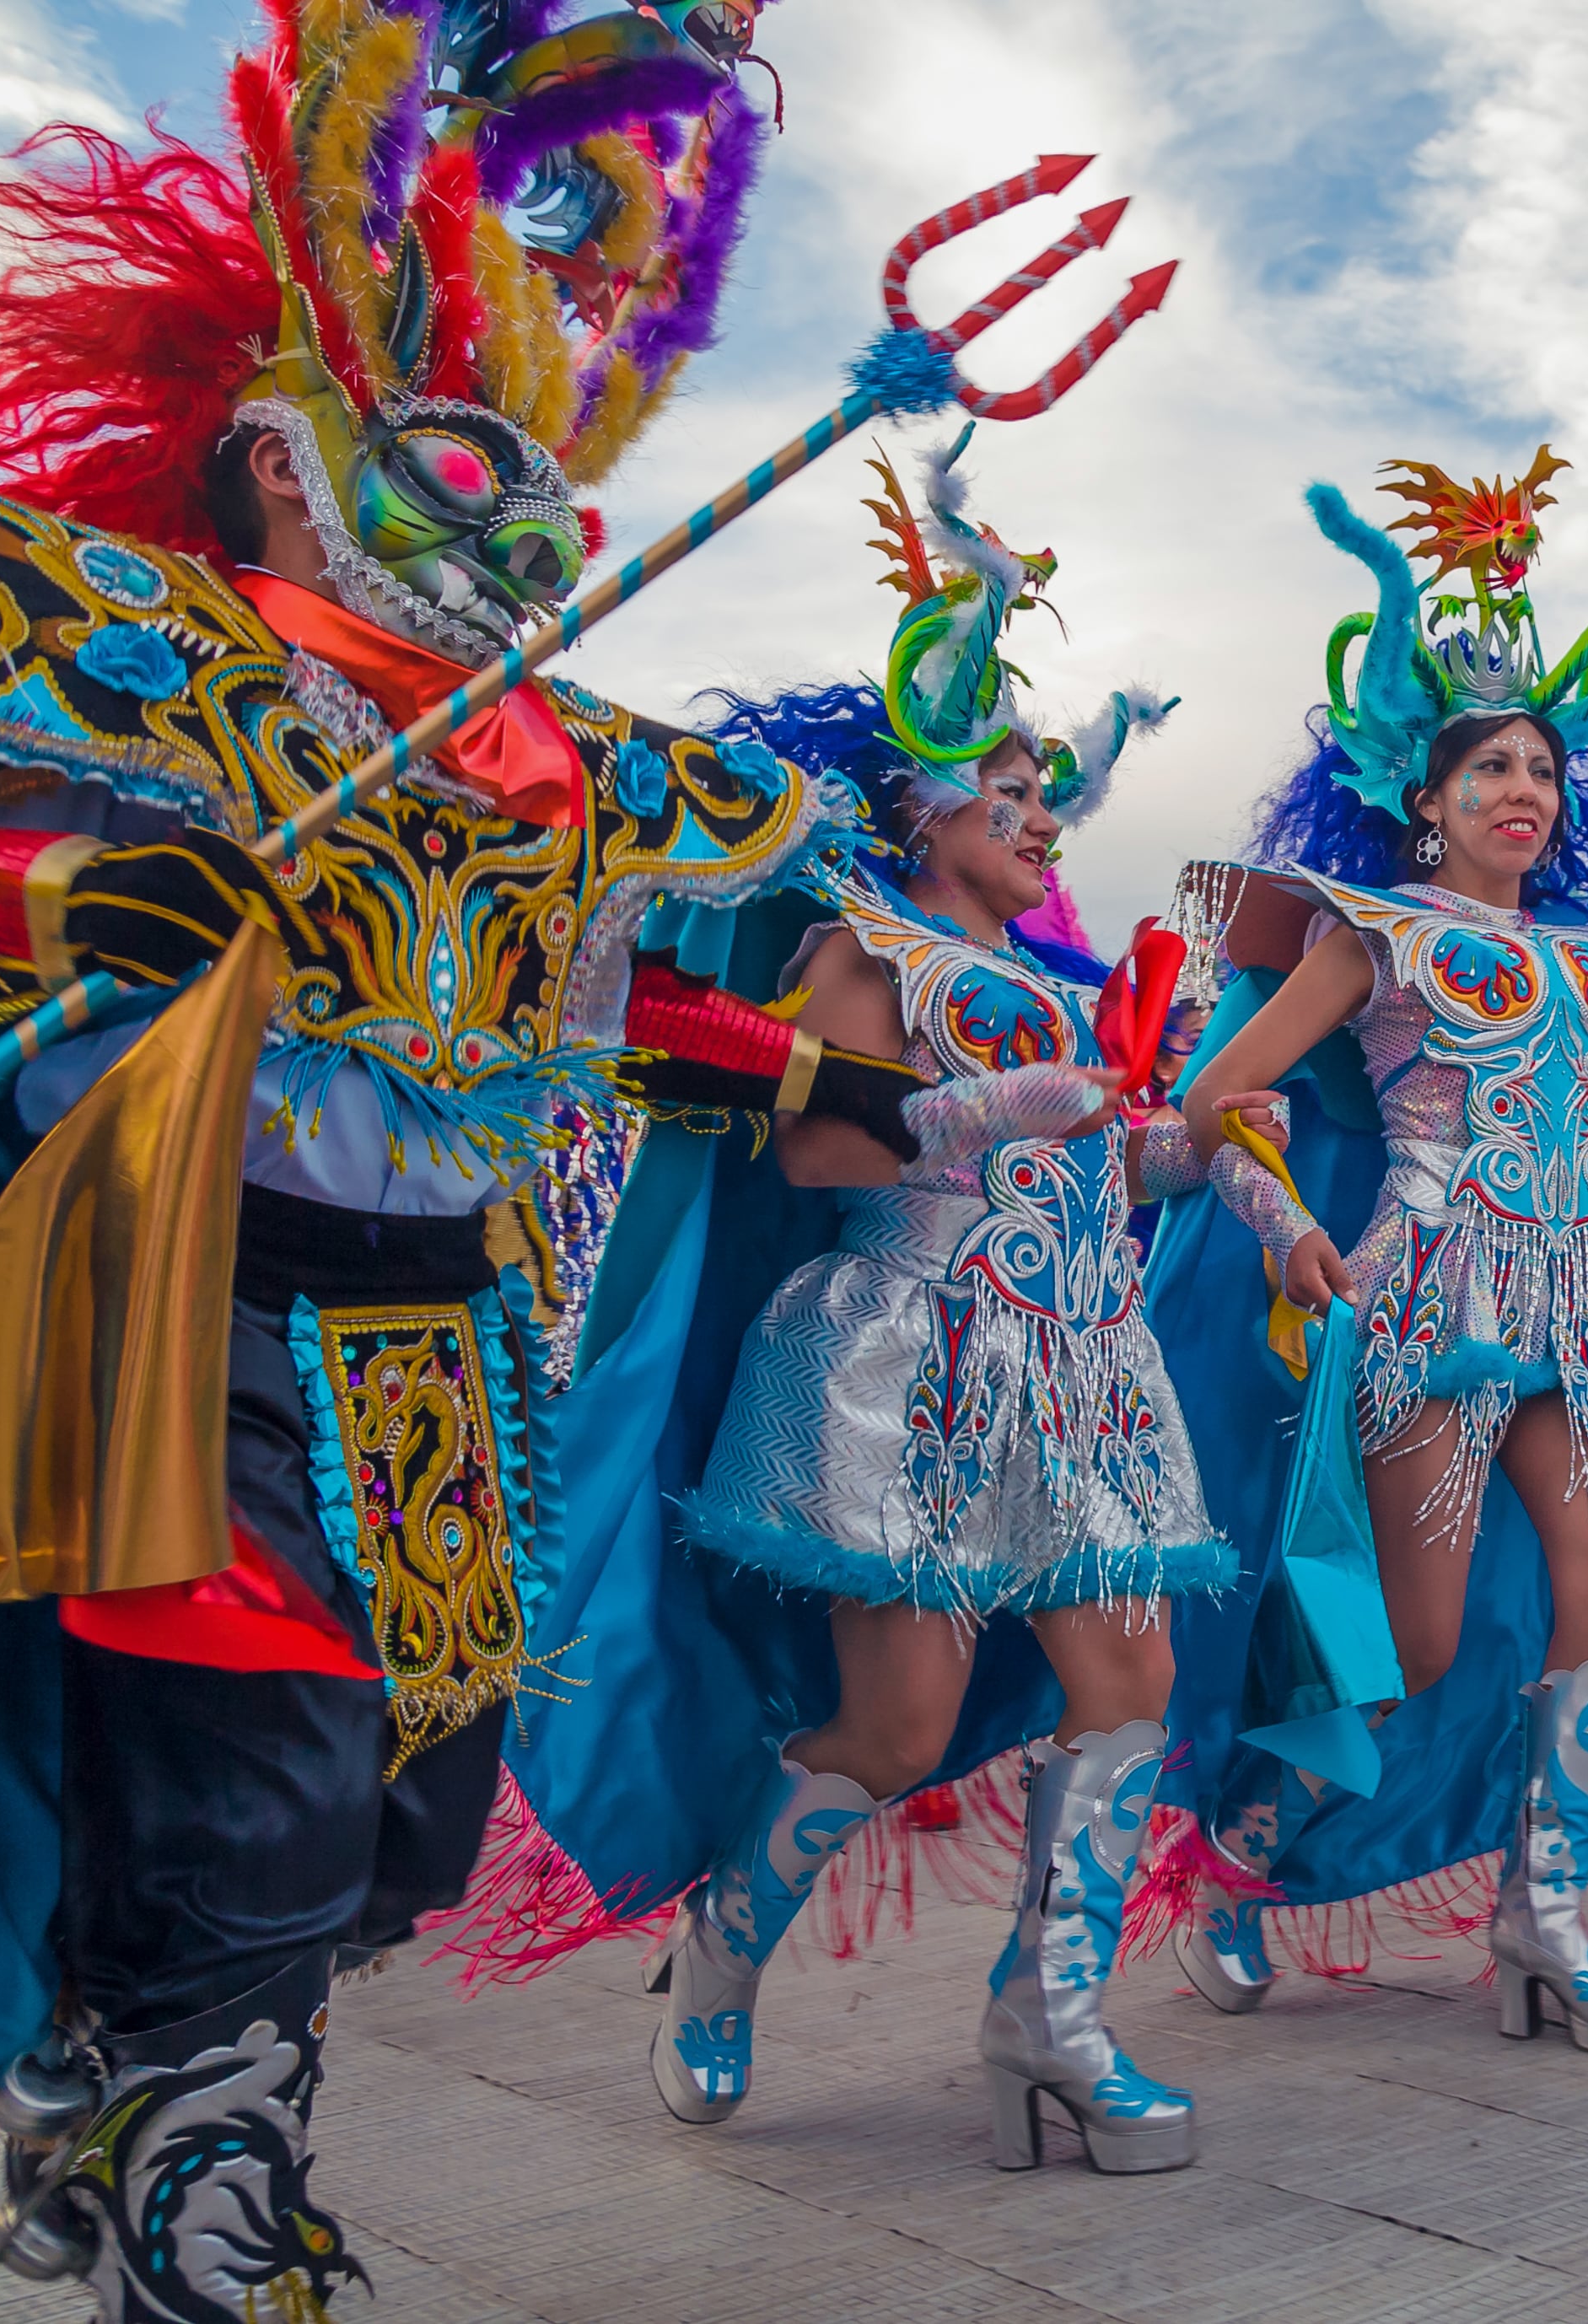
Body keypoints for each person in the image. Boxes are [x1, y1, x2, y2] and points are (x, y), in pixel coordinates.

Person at [0, 7, 941, 2303]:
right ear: (292, 460)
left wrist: (810, 1085)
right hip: (173, 1293)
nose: (529, 522)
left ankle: (106, 2086)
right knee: (266, 1753)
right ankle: (212, 2197)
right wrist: (68, 900)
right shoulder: (140, 658)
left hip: (433, 1338)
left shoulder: (551, 778)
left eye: (545, 482)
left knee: (401, 1802)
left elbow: (598, 1007)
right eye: (460, 462)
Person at [499, 437, 1225, 2176]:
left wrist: (1187, 1151)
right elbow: (817, 1147)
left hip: (1081, 1368)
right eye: (1006, 783)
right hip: (909, 1354)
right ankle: (722, 1957)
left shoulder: (1062, 984)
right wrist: (979, 1113)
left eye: (1052, 790)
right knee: (897, 1724)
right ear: (918, 805)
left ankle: (1049, 2014)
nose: (1042, 814)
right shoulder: (872, 948)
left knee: (1131, 1681)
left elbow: (1097, 1173)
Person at [1163, 448, 1588, 2053]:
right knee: (1420, 1634)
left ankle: (1546, 1911)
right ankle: (1238, 1853)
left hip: (1581, 1314)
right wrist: (1293, 1224)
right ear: (1425, 801)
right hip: (1426, 1300)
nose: (1521, 789)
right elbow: (1215, 1097)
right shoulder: (1367, 929)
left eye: (1540, 769)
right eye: (1487, 770)